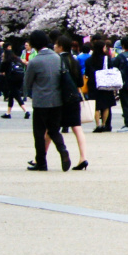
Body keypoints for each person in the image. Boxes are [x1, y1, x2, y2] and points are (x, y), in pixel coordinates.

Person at [24, 31, 70, 172]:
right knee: (54, 130)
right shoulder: (57, 58)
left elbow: (27, 83)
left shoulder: (35, 61)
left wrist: (28, 94)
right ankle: (63, 150)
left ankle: (42, 163)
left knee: (39, 133)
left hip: (41, 101)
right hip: (57, 100)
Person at [52, 35, 88, 170]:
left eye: (56, 44)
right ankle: (83, 157)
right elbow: (80, 82)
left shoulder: (57, 60)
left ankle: (41, 156)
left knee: (51, 128)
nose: (54, 46)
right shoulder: (75, 61)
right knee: (77, 127)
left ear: (60, 46)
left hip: (61, 98)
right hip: (74, 98)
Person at [88, 40, 116, 133]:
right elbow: (111, 68)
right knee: (106, 105)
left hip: (94, 84)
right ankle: (104, 124)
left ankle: (98, 125)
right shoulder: (107, 59)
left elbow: (87, 72)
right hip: (105, 84)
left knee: (96, 106)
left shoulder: (90, 59)